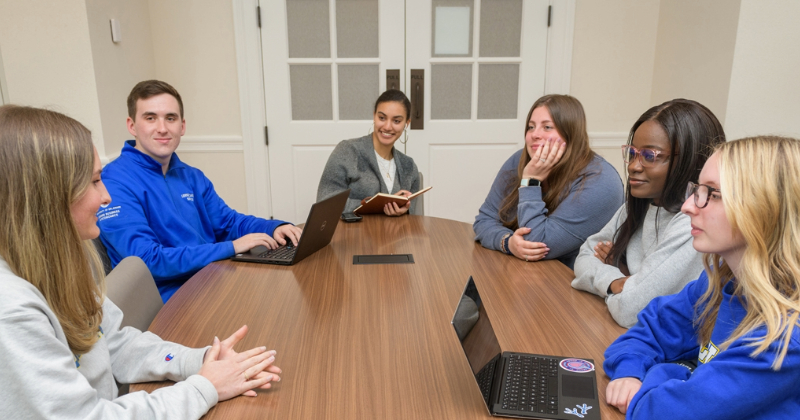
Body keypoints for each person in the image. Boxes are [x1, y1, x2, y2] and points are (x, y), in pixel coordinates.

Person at [0, 105, 282, 419]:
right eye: (94, 182)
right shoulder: (11, 311)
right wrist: (205, 386)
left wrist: (201, 360)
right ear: (48, 196)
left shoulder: (59, 264)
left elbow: (116, 343)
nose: (106, 197)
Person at [604, 136, 800, 419]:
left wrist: (669, 370)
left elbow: (661, 412)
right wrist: (630, 371)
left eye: (713, 194)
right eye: (697, 189)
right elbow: (645, 333)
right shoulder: (719, 284)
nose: (688, 206)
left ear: (765, 210)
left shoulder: (784, 339)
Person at [98, 80, 302, 302]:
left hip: (212, 281)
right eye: (150, 118)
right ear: (131, 125)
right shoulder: (114, 182)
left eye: (170, 118)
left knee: (286, 293)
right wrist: (231, 247)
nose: (162, 128)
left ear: (182, 126)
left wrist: (274, 228)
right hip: (169, 302)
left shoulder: (190, 176)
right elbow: (147, 261)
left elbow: (228, 223)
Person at [571, 99, 725, 327]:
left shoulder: (693, 222)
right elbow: (584, 256)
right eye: (632, 153)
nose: (633, 165)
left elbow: (631, 309)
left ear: (689, 161)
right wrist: (616, 280)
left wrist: (621, 279)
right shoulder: (639, 203)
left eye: (650, 156)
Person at [473, 94, 624, 268]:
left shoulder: (601, 181)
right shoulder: (520, 160)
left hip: (574, 285)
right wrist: (507, 243)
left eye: (547, 127)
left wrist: (530, 182)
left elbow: (537, 244)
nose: (535, 135)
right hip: (525, 273)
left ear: (571, 134)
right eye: (531, 127)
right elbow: (484, 220)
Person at [317, 89, 420, 216]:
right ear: (374, 116)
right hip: (351, 235)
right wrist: (376, 205)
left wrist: (405, 210)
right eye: (382, 118)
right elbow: (325, 203)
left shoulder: (409, 166)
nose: (387, 126)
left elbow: (413, 218)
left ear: (406, 123)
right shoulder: (348, 151)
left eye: (396, 121)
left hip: (395, 235)